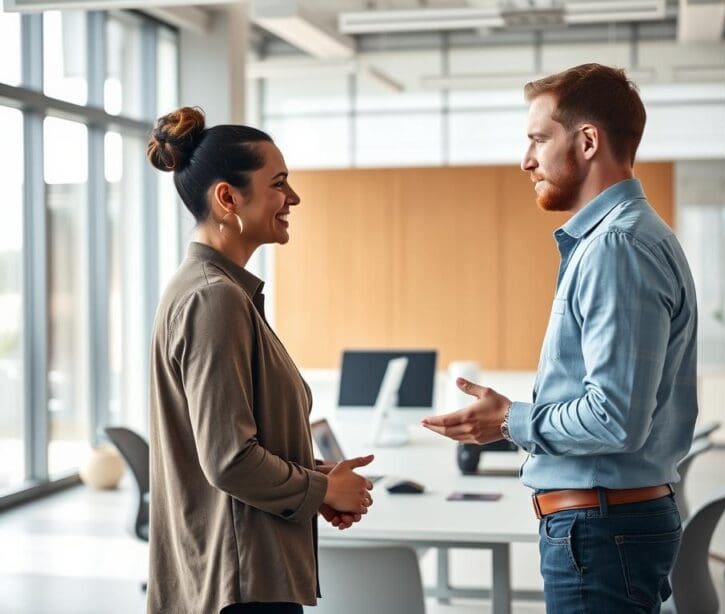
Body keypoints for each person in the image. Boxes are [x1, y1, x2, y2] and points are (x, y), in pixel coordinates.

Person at [422, 64, 697, 613]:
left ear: (588, 141)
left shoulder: (617, 248)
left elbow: (615, 417)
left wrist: (508, 421)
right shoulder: (625, 239)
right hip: (607, 525)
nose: (527, 160)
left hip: (601, 529)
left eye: (538, 139)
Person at [146, 106, 375, 614]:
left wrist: (321, 481)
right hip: (241, 584)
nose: (293, 198)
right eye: (279, 184)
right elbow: (228, 459)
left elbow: (232, 438)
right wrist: (319, 490)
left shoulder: (218, 292)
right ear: (228, 198)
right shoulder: (214, 298)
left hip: (243, 572)